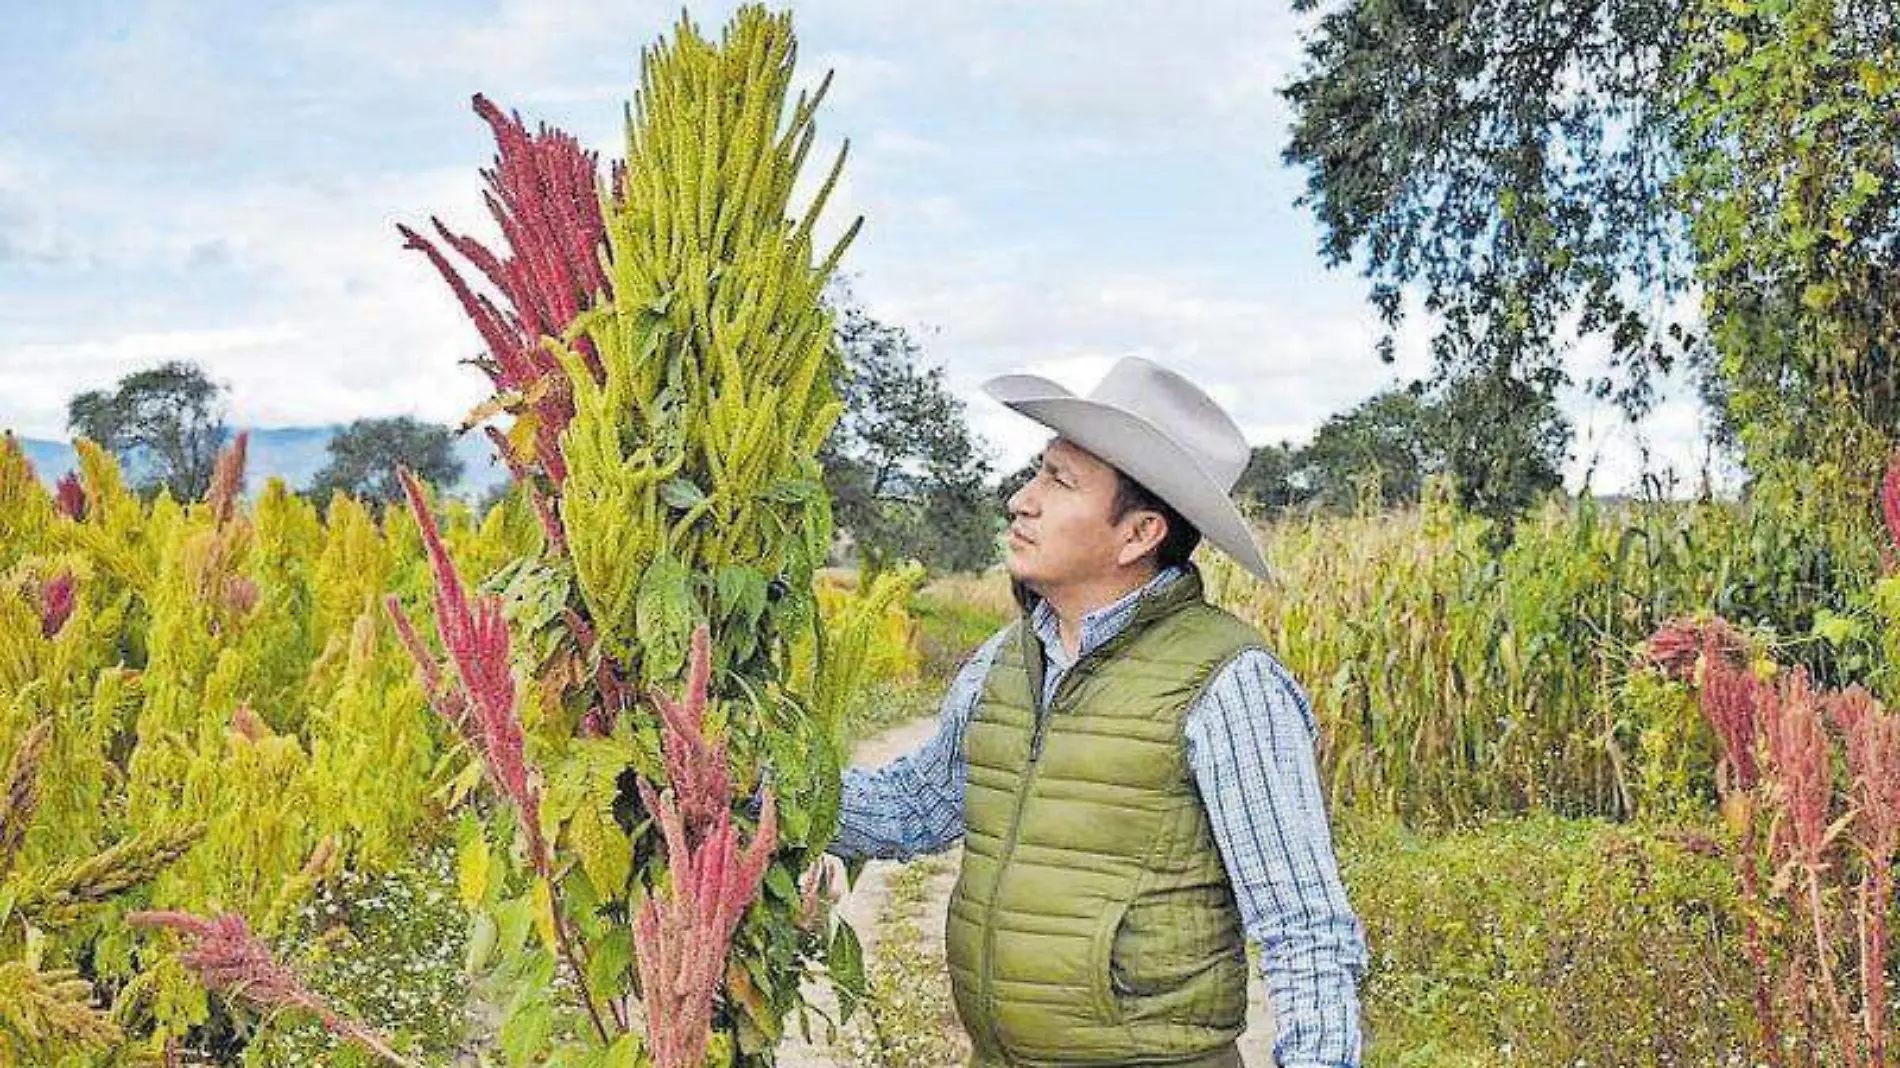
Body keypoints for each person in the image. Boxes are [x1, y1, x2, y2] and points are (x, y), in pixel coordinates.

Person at [827, 356, 1368, 1067]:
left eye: (1059, 481)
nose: (1023, 500)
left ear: (1139, 534)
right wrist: (746, 781)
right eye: (1038, 470)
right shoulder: (1004, 660)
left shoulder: (1228, 682)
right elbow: (916, 806)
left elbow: (1304, 929)